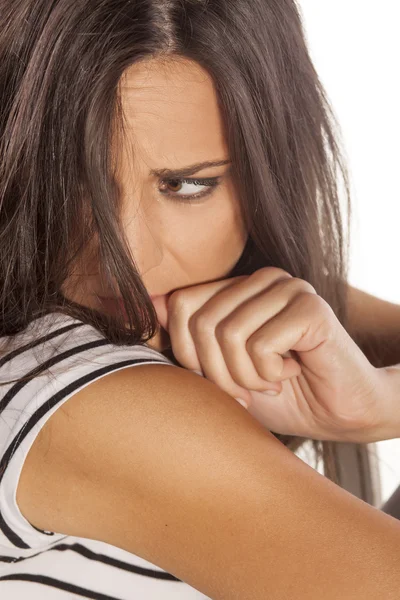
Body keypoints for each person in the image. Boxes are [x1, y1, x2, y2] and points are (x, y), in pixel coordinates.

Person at [0, 1, 399, 598]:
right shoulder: (76, 390)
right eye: (74, 184)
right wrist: (385, 406)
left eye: (188, 185)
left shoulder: (241, 299)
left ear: (270, 171)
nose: (128, 259)